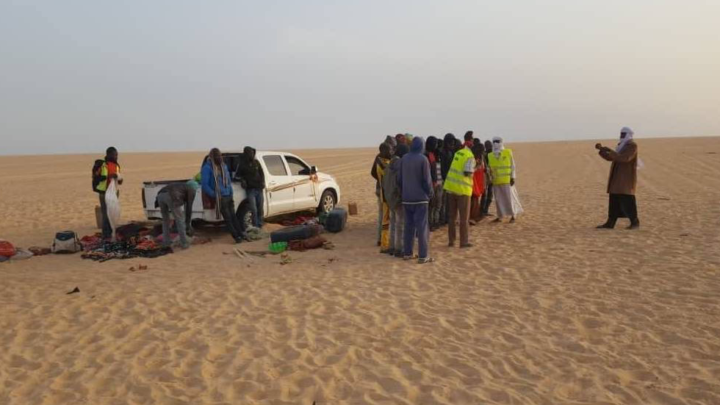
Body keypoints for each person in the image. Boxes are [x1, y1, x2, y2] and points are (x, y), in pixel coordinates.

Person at [398, 136, 434, 264]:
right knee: (422, 227)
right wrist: (430, 193)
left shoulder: (404, 159)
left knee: (408, 227)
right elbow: (427, 180)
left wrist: (404, 192)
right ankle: (423, 256)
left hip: (407, 199)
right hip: (420, 200)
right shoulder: (423, 159)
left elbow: (399, 179)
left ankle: (407, 253)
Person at [596, 127, 641, 229]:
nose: (621, 136)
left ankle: (635, 222)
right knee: (614, 200)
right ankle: (610, 222)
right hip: (617, 176)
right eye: (621, 134)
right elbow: (611, 158)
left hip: (626, 177)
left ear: (628, 135)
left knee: (627, 199)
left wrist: (610, 151)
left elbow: (625, 158)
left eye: (623, 134)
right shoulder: (621, 146)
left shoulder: (632, 146)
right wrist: (603, 151)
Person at [201, 148, 247, 243]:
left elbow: (228, 180)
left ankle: (241, 234)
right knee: (228, 219)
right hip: (220, 197)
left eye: (220, 155)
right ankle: (236, 237)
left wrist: (231, 192)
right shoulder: (207, 168)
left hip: (228, 195)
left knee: (234, 216)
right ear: (212, 157)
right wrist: (214, 194)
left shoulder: (223, 166)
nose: (219, 157)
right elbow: (205, 185)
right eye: (217, 156)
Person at [443, 137, 475, 248]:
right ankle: (463, 242)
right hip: (462, 190)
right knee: (463, 219)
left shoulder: (459, 153)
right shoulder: (470, 156)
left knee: (452, 217)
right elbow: (467, 172)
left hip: (451, 188)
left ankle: (451, 241)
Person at [488, 137, 523, 223]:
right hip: (496, 181)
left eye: (497, 142)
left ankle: (513, 216)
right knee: (498, 200)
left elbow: (512, 165)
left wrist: (513, 177)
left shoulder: (508, 152)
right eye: (494, 142)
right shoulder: (490, 155)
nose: (496, 143)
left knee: (510, 199)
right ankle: (500, 216)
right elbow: (490, 169)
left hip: (507, 181)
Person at [383, 144, 409, 257]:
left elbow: (385, 182)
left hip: (390, 198)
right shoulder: (400, 165)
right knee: (400, 225)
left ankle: (392, 247)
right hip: (398, 199)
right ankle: (399, 249)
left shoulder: (390, 164)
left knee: (393, 224)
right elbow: (400, 182)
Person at [156, 180, 198, 249]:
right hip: (171, 196)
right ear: (194, 187)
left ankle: (166, 242)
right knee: (180, 220)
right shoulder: (191, 189)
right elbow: (189, 207)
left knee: (165, 220)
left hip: (160, 196)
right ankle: (184, 243)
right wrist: (187, 223)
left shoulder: (182, 186)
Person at [371, 136, 397, 246]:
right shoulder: (385, 162)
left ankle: (381, 240)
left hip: (383, 191)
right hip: (385, 193)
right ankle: (384, 242)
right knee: (385, 219)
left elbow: (373, 173)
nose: (392, 150)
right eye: (391, 148)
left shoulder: (380, 159)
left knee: (383, 217)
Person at [94, 147, 123, 240]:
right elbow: (103, 177)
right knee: (106, 214)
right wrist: (112, 175)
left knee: (113, 213)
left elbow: (119, 181)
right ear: (108, 155)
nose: (116, 156)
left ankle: (111, 233)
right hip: (104, 193)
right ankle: (106, 235)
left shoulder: (117, 166)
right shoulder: (104, 165)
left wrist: (119, 178)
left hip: (114, 193)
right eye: (115, 155)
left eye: (117, 154)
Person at [236, 146, 266, 229]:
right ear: (246, 154)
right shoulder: (242, 165)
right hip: (250, 190)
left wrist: (263, 182)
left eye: (253, 153)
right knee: (253, 209)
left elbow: (262, 173)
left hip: (259, 188)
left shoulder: (256, 162)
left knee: (260, 208)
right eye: (250, 153)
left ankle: (260, 225)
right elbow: (237, 175)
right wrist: (242, 180)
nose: (252, 154)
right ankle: (256, 226)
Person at [376, 142, 394, 253]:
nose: (391, 152)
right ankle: (384, 245)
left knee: (387, 221)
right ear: (383, 151)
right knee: (385, 222)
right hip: (386, 196)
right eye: (389, 150)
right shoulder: (382, 163)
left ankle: (386, 243)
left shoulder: (384, 161)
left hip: (387, 195)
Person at [425, 136, 443, 231]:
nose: (436, 146)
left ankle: (432, 223)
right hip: (430, 184)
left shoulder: (431, 154)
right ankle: (430, 223)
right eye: (435, 144)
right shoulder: (427, 155)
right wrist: (433, 182)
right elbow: (429, 172)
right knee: (431, 205)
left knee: (433, 205)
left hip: (433, 183)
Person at [440, 133, 457, 226]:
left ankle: (448, 218)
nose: (452, 145)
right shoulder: (443, 153)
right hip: (445, 180)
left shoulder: (452, 152)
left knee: (449, 202)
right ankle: (444, 219)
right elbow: (443, 168)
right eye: (451, 143)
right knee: (444, 202)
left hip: (451, 180)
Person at [470, 144, 486, 223]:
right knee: (473, 200)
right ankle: (472, 218)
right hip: (473, 181)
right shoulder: (472, 158)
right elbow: (471, 170)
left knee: (475, 200)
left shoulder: (480, 158)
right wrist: (477, 167)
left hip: (478, 181)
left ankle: (474, 217)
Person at [481, 140, 494, 216]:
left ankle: (485, 210)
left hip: (491, 177)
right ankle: (482, 211)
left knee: (490, 195)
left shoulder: (492, 154)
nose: (489, 147)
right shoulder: (484, 155)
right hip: (485, 177)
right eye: (488, 145)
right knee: (485, 195)